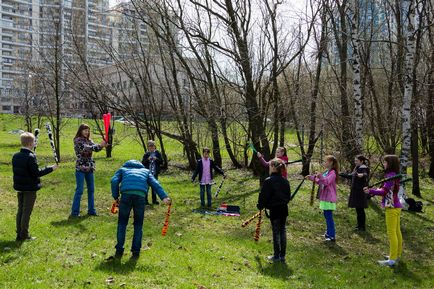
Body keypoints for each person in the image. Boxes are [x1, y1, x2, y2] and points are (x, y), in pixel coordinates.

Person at [111, 160, 171, 259]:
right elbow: (155, 183)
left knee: (122, 224)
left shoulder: (122, 169)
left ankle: (119, 251)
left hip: (126, 195)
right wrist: (164, 197)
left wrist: (116, 196)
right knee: (138, 225)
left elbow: (114, 181)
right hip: (140, 196)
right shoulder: (146, 171)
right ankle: (136, 252)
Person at [13, 132, 58, 241]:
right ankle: (24, 235)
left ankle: (19, 233)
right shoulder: (30, 157)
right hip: (29, 188)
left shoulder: (16, 155)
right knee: (26, 212)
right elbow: (36, 173)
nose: (35, 143)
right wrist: (50, 168)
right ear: (29, 143)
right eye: (34, 141)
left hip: (20, 187)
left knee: (20, 210)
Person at [364, 155, 403, 267]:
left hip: (392, 207)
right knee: (397, 231)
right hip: (397, 206)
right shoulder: (394, 175)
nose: (384, 164)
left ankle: (392, 259)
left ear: (390, 164)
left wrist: (370, 191)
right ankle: (396, 254)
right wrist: (373, 190)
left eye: (385, 162)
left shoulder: (391, 175)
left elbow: (384, 191)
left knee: (392, 233)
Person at [257, 158, 291, 263]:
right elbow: (288, 196)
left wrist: (260, 205)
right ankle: (282, 256)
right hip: (283, 210)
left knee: (276, 232)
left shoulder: (269, 181)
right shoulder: (285, 181)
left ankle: (277, 256)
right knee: (282, 231)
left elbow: (263, 196)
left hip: (275, 210)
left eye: (270, 166)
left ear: (273, 167)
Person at [70, 124, 107, 217]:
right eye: (85, 130)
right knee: (80, 190)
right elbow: (86, 148)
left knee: (91, 190)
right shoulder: (77, 140)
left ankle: (91, 211)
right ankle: (74, 213)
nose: (87, 132)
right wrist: (99, 145)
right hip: (80, 168)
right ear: (80, 131)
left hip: (90, 168)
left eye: (88, 130)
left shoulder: (90, 141)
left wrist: (102, 145)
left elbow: (96, 148)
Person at [306, 155, 339, 242]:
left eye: (326, 161)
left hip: (329, 198)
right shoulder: (327, 172)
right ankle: (328, 233)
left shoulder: (333, 173)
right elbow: (321, 182)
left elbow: (327, 182)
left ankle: (331, 235)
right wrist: (312, 178)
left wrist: (320, 176)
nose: (324, 163)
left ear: (331, 163)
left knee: (329, 216)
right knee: (326, 215)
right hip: (324, 197)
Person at [340, 155, 370, 231]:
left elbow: (365, 174)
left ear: (361, 161)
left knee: (360, 209)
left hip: (360, 192)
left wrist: (362, 175)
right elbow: (351, 176)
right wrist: (340, 174)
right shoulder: (357, 168)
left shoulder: (364, 168)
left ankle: (362, 227)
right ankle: (359, 225)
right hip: (356, 191)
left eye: (357, 161)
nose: (355, 162)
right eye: (355, 160)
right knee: (358, 209)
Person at [141, 140, 163, 205]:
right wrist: (147, 159)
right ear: (148, 147)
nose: (151, 148)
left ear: (154, 147)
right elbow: (143, 163)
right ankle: (145, 200)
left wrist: (156, 159)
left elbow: (162, 162)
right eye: (150, 147)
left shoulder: (157, 153)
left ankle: (154, 200)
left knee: (154, 186)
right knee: (146, 187)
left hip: (155, 173)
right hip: (147, 173)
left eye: (152, 146)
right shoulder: (146, 154)